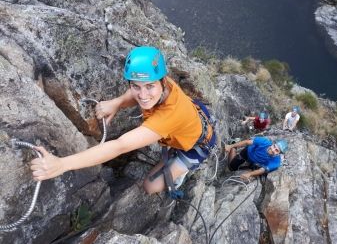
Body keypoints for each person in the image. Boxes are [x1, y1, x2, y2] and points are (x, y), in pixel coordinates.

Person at [30, 46, 216, 196]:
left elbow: (120, 146)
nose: (142, 96)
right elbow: (138, 91)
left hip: (195, 146)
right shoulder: (160, 81)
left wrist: (62, 164)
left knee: (149, 187)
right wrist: (117, 103)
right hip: (190, 122)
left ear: (162, 82)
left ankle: (180, 171)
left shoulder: (169, 115)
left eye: (149, 87)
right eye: (136, 86)